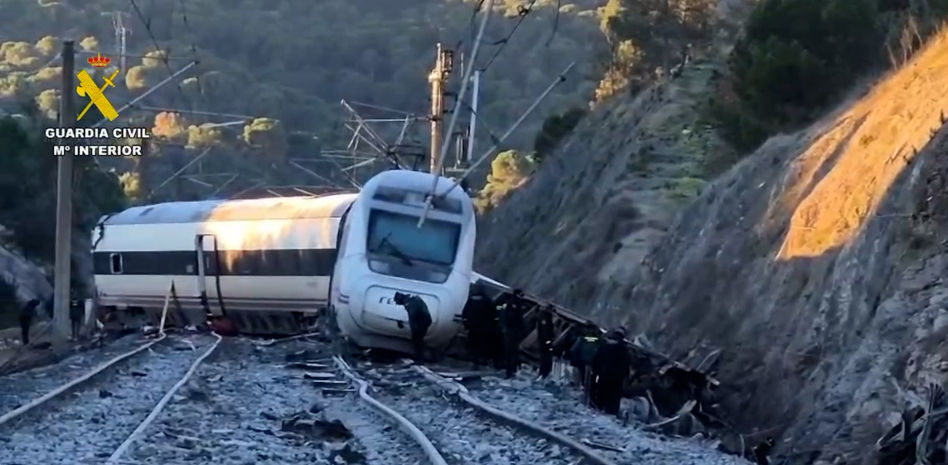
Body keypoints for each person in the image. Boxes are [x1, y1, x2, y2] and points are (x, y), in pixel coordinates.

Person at [591, 328, 632, 415]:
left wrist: (595, 372)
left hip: (604, 375)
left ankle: (598, 408)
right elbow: (626, 365)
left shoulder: (604, 346)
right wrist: (626, 377)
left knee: (601, 394)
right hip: (617, 379)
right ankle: (610, 413)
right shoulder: (624, 349)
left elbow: (596, 360)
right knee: (613, 398)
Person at [496, 289, 528, 379]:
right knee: (511, 351)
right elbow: (515, 318)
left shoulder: (514, 304)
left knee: (512, 351)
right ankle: (510, 371)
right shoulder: (513, 304)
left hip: (512, 331)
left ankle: (511, 370)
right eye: (521, 295)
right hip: (512, 331)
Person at [461, 284, 494, 367]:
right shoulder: (487, 299)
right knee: (482, 343)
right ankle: (480, 359)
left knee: (473, 343)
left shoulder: (472, 298)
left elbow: (465, 311)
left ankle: (474, 359)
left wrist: (466, 324)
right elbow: (491, 313)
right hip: (483, 326)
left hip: (472, 326)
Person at [394, 292, 432, 361]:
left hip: (422, 322)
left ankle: (419, 359)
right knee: (418, 340)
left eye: (397, 302)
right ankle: (419, 358)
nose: (398, 304)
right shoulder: (412, 300)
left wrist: (413, 329)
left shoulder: (409, 303)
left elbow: (412, 316)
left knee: (417, 340)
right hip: (424, 320)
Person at [568, 323, 602, 401]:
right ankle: (589, 396)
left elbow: (573, 350)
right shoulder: (599, 340)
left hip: (582, 362)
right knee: (591, 381)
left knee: (582, 379)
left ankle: (583, 394)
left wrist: (575, 361)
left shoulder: (582, 339)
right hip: (593, 364)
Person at [536, 305, 555, 379]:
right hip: (545, 341)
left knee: (544, 357)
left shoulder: (543, 316)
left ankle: (543, 373)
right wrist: (548, 341)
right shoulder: (546, 318)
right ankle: (544, 373)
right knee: (546, 357)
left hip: (543, 341)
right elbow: (546, 331)